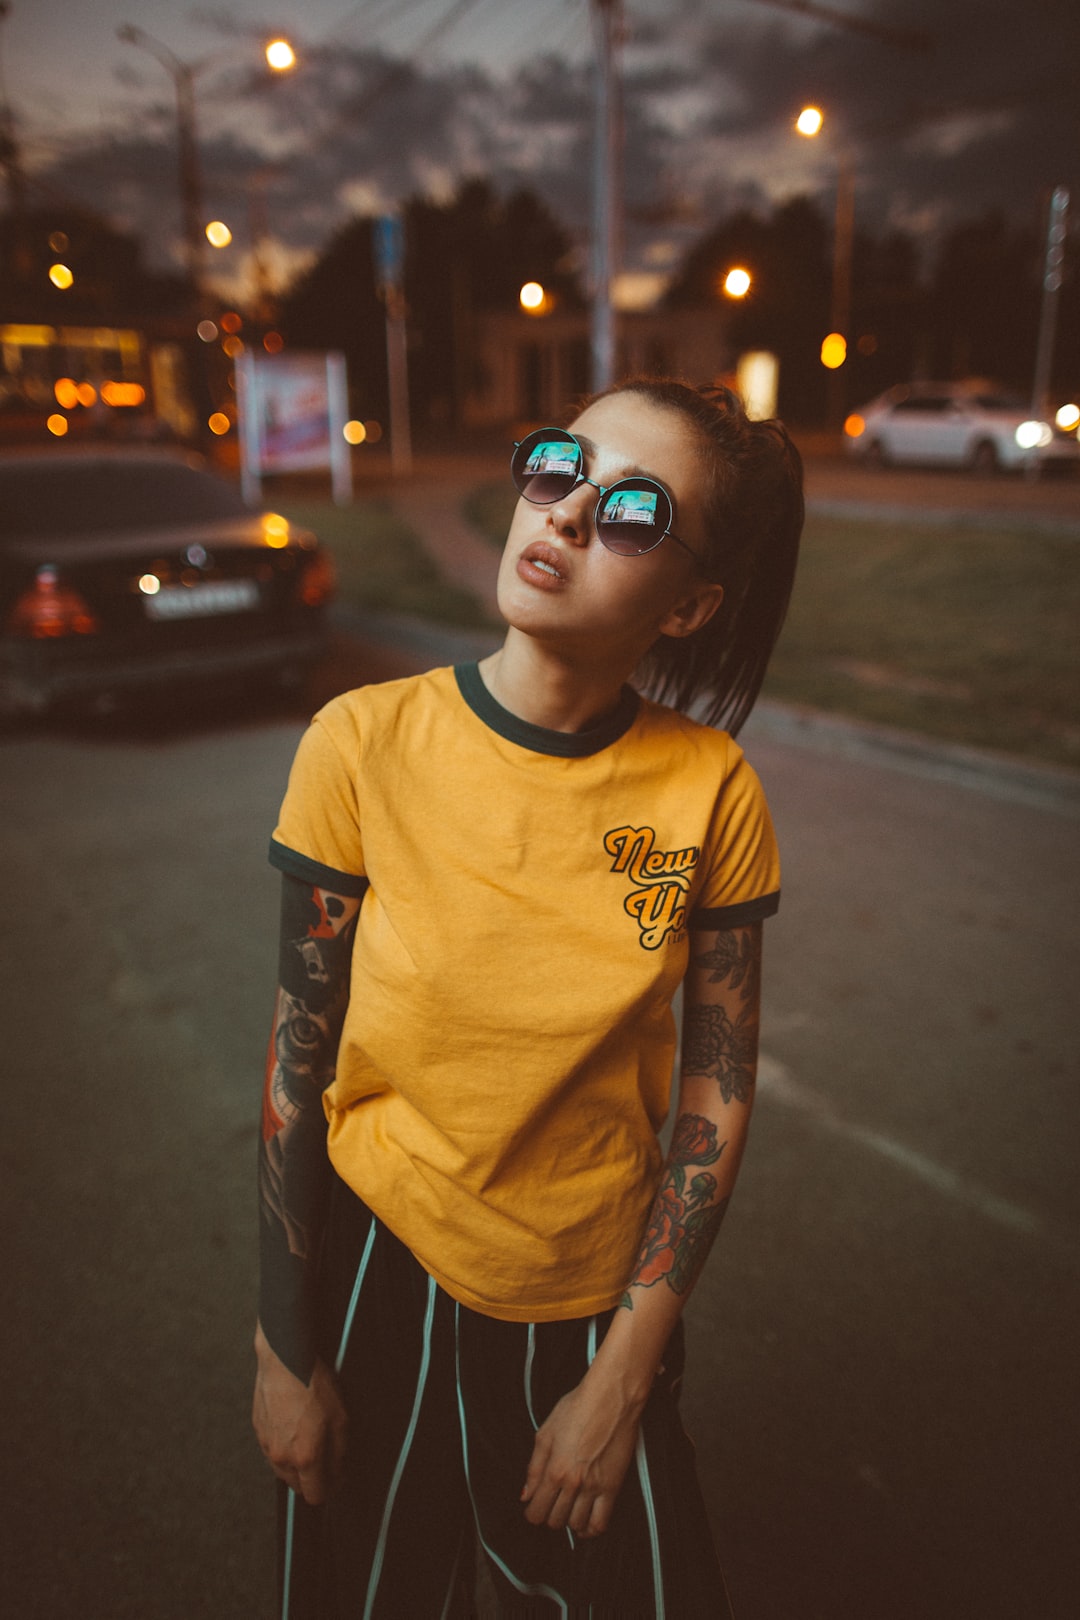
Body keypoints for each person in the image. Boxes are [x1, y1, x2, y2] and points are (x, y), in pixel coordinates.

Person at [252, 378, 803, 1618]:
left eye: (633, 512)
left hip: (590, 1297)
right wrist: (284, 1349)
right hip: (374, 1274)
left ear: (692, 603)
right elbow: (298, 1058)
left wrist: (622, 1381)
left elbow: (718, 1086)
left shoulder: (712, 791)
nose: (564, 515)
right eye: (561, 468)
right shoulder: (359, 742)